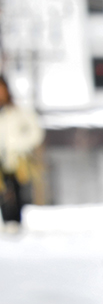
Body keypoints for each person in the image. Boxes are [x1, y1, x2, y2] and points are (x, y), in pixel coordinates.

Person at [0, 74, 43, 229]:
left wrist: (20, 145)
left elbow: (35, 133)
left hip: (16, 159)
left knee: (14, 189)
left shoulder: (18, 112)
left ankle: (14, 223)